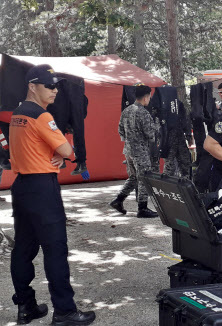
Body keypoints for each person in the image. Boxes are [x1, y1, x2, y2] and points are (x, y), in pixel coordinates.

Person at [9, 64, 96, 325]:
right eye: (49, 86)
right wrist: (61, 152)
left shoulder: (17, 114)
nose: (55, 90)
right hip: (42, 188)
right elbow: (68, 150)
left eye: (56, 86)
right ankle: (65, 312)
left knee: (23, 249)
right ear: (32, 86)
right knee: (55, 249)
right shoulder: (42, 116)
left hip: (22, 186)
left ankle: (26, 306)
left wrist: (55, 153)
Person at [109, 84, 159, 218]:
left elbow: (120, 130)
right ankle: (142, 208)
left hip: (128, 150)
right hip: (140, 151)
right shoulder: (143, 112)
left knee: (134, 177)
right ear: (146, 97)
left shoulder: (126, 111)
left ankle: (118, 200)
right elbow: (150, 134)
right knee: (144, 177)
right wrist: (157, 127)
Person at [163, 100, 193, 178]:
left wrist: (188, 134)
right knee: (170, 166)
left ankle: (186, 184)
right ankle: (166, 187)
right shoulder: (161, 104)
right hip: (168, 139)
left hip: (179, 137)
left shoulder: (178, 103)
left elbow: (185, 119)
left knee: (185, 163)